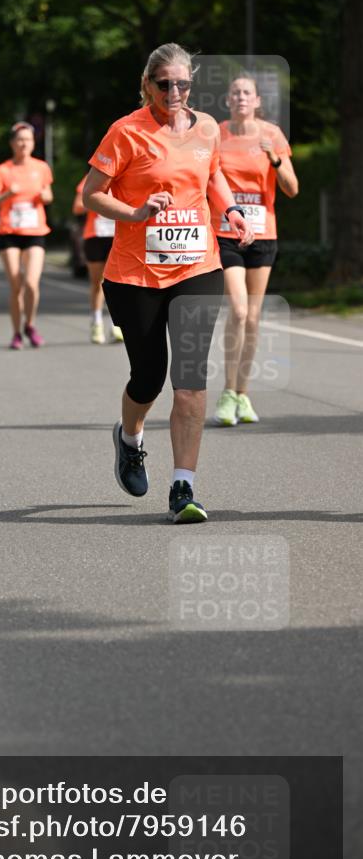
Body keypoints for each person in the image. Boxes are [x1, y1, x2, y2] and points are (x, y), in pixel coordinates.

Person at [83, 42, 254, 523]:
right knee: (149, 376)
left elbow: (213, 176)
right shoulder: (126, 132)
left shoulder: (206, 128)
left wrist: (233, 211)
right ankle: (130, 439)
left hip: (197, 266)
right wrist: (136, 212)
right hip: (135, 274)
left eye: (183, 84)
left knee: (190, 382)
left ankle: (184, 486)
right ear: (147, 85)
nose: (175, 92)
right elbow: (91, 194)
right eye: (165, 84)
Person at [213, 74, 299, 425]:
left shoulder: (272, 134)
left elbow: (292, 188)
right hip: (226, 232)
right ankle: (228, 393)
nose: (241, 97)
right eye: (235, 92)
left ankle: (243, 395)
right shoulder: (216, 133)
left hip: (263, 233)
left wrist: (274, 160)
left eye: (247, 92)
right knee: (238, 310)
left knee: (254, 316)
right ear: (228, 100)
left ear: (258, 100)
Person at [0, 122, 53, 349]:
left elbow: (49, 195)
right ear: (12, 143)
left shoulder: (41, 167)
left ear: (33, 143)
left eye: (28, 140)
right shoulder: (3, 170)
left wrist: (44, 197)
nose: (24, 143)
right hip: (10, 232)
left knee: (32, 283)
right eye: (20, 140)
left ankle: (30, 325)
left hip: (35, 231)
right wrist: (6, 195)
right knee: (16, 285)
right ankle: (16, 332)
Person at [73, 175, 123, 344]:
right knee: (98, 282)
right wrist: (99, 200)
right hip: (95, 235)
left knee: (117, 282)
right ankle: (97, 322)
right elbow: (77, 207)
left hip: (118, 235)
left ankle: (116, 325)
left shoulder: (125, 175)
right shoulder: (93, 176)